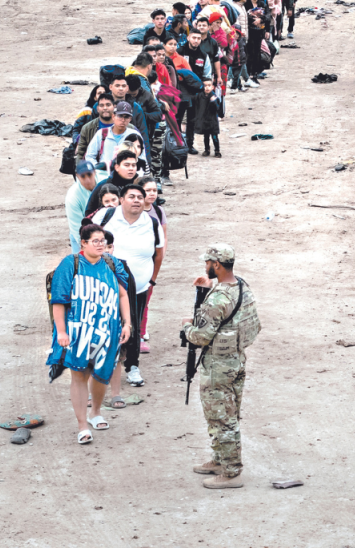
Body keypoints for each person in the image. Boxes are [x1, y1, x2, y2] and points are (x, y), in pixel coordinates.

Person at [183, 244, 260, 488]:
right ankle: (219, 459)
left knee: (222, 418)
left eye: (208, 262)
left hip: (217, 367)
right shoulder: (241, 285)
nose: (206, 266)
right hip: (236, 360)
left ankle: (230, 473)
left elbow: (199, 337)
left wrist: (186, 327)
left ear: (216, 264)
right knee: (227, 414)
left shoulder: (217, 299)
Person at [48, 223, 132, 444]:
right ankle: (82, 425)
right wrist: (61, 332)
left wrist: (127, 323)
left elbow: (123, 295)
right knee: (79, 374)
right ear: (83, 243)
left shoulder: (111, 263)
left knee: (101, 374)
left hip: (108, 329)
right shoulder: (70, 264)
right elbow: (58, 300)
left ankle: (96, 412)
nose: (101, 244)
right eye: (95, 241)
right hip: (78, 330)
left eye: (103, 240)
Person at [91, 184, 164, 388]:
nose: (137, 200)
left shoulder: (151, 222)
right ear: (121, 199)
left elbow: (159, 254)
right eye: (131, 196)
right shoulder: (105, 217)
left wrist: (151, 280)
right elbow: (87, 242)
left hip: (139, 287)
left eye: (140, 197)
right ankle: (100, 368)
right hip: (105, 287)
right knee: (103, 326)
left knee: (132, 325)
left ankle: (132, 366)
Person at [137, 176, 166, 353]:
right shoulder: (133, 212)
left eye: (154, 190)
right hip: (137, 262)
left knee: (145, 300)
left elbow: (164, 236)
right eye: (148, 190)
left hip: (151, 262)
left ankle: (140, 332)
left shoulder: (159, 211)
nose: (152, 194)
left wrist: (160, 257)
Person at [84, 101, 143, 180]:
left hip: (128, 178)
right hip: (104, 177)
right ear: (113, 116)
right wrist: (97, 170)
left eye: (126, 117)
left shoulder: (135, 135)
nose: (123, 120)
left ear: (130, 119)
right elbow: (90, 155)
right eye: (120, 116)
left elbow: (142, 158)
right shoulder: (102, 134)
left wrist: (136, 176)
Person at [65, 160, 99, 252]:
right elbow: (76, 227)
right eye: (83, 176)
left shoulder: (104, 182)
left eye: (89, 174)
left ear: (94, 172)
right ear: (77, 176)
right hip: (82, 231)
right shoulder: (72, 197)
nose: (87, 179)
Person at [195, 79, 222, 158]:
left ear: (213, 87)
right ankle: (207, 150)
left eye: (209, 86)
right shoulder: (200, 96)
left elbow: (218, 109)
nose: (207, 88)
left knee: (214, 137)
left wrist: (213, 102)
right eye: (205, 86)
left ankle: (217, 151)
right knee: (206, 137)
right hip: (204, 120)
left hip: (212, 121)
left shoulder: (214, 97)